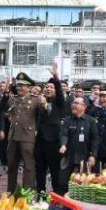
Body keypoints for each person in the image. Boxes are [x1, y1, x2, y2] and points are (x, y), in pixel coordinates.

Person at [5, 72, 42, 193]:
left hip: (27, 137)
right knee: (11, 165)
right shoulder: (12, 100)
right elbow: (7, 113)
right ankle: (12, 192)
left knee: (29, 166)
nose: (19, 88)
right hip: (13, 136)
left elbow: (42, 117)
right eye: (18, 85)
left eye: (22, 85)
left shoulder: (36, 100)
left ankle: (27, 193)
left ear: (29, 87)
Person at [34, 62, 66, 195]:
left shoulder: (59, 102)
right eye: (46, 87)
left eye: (51, 87)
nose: (48, 89)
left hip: (54, 141)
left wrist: (55, 76)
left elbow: (59, 91)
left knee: (55, 171)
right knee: (40, 170)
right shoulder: (40, 103)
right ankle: (40, 195)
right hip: (40, 141)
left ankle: (57, 196)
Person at [59, 97, 99, 194]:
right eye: (73, 102)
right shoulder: (68, 120)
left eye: (77, 103)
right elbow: (64, 134)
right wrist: (63, 144)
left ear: (84, 106)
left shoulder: (91, 121)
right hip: (69, 156)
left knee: (85, 182)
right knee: (62, 181)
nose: (73, 105)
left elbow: (95, 139)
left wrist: (93, 155)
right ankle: (63, 203)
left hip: (84, 156)